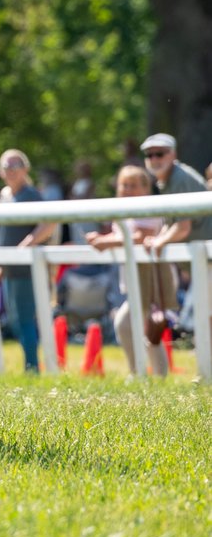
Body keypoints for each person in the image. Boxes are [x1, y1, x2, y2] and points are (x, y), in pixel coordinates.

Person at [85, 165, 175, 375]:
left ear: (146, 187)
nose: (127, 189)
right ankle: (156, 377)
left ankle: (139, 373)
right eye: (124, 185)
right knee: (148, 330)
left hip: (151, 275)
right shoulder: (123, 209)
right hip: (136, 274)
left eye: (133, 185)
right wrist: (104, 240)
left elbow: (140, 236)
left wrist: (105, 242)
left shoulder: (148, 207)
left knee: (128, 325)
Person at [139, 133, 212, 342]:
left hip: (208, 259)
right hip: (204, 260)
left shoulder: (179, 178)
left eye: (160, 153)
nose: (154, 159)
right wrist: (158, 238)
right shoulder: (168, 181)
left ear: (173, 154)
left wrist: (160, 241)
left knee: (206, 316)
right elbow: (173, 224)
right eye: (149, 155)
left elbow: (182, 227)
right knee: (205, 316)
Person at [0, 149, 59, 373]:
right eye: (6, 166)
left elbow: (49, 223)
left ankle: (32, 368)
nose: (10, 170)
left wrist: (26, 245)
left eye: (15, 165)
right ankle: (30, 365)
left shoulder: (30, 194)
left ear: (25, 169)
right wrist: (2, 263)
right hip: (9, 268)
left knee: (24, 320)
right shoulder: (5, 195)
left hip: (26, 269)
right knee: (14, 320)